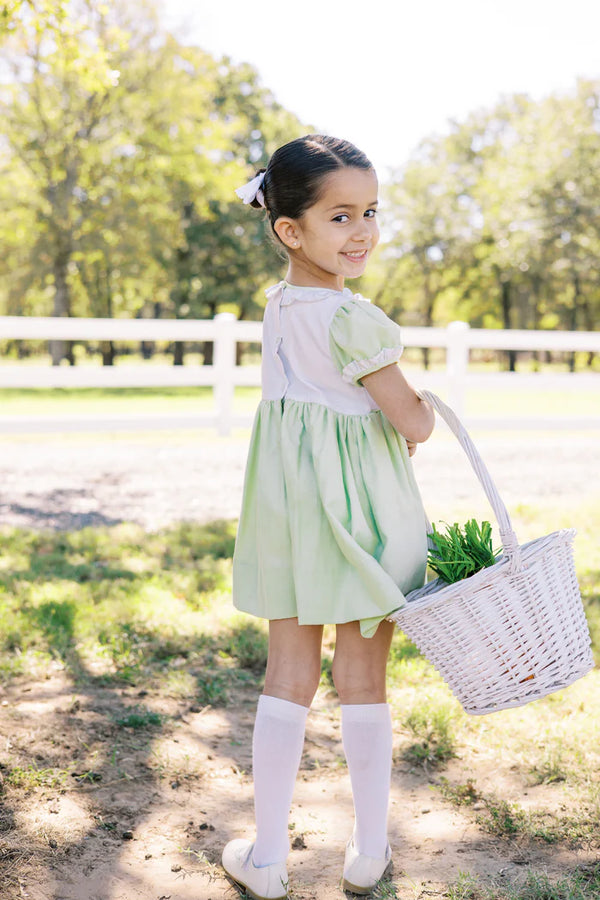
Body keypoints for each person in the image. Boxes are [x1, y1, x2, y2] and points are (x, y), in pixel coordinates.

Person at [222, 134, 435, 899]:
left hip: (290, 515)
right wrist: (426, 417)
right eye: (341, 216)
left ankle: (270, 856)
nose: (364, 231)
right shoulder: (353, 319)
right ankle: (369, 849)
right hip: (362, 519)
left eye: (371, 212)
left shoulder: (281, 308)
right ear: (291, 230)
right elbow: (409, 422)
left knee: (287, 672)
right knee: (363, 677)